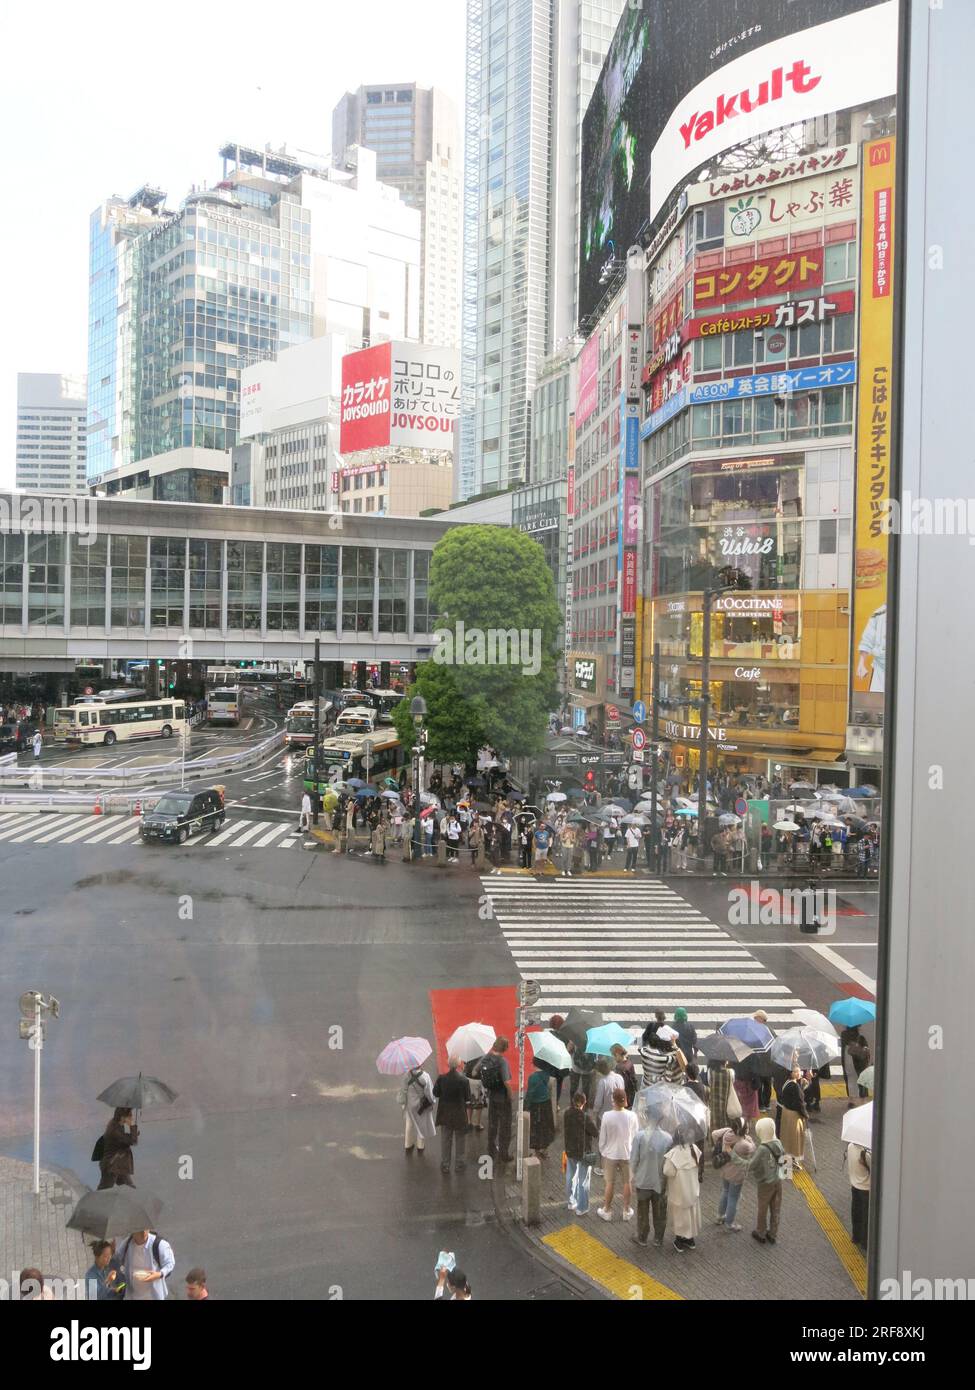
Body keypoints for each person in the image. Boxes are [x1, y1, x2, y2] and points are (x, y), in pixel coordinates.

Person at [734, 1116, 786, 1246]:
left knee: (763, 1208)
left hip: (765, 1184)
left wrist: (734, 1157)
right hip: (778, 1182)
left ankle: (761, 1232)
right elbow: (786, 1165)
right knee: (776, 1208)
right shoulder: (778, 1143)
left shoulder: (762, 1149)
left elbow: (751, 1165)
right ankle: (773, 1234)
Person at [596, 1089, 639, 1223]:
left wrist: (603, 1151)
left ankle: (607, 1210)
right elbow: (636, 1136)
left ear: (613, 1100)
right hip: (627, 1153)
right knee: (627, 1182)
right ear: (625, 1100)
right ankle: (626, 1210)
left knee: (610, 1183)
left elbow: (602, 1137)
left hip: (610, 1154)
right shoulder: (632, 1116)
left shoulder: (607, 1116)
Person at [630, 1123, 672, 1248]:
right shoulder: (668, 1138)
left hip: (643, 1180)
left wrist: (631, 1178)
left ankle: (642, 1237)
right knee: (660, 1212)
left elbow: (633, 1160)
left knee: (642, 1210)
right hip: (660, 1181)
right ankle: (658, 1239)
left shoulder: (640, 1136)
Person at [711, 1118, 755, 1232]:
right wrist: (749, 1138)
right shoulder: (744, 1144)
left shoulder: (726, 1133)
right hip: (737, 1175)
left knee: (725, 1192)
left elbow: (714, 1134)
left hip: (725, 1170)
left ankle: (720, 1216)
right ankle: (730, 1223)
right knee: (733, 1197)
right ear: (744, 1129)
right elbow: (753, 1147)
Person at [663, 1132, 703, 1252]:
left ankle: (680, 1240)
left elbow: (667, 1171)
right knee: (691, 1213)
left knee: (680, 1216)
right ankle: (690, 1239)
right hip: (692, 1190)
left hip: (679, 1192)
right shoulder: (694, 1149)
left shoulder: (674, 1153)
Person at [433, 1056, 472, 1174]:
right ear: (459, 1064)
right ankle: (459, 1164)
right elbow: (467, 1098)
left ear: (448, 1064)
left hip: (445, 1114)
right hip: (459, 1114)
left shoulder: (442, 1078)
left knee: (446, 1140)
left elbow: (436, 1093)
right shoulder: (464, 1080)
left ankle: (445, 1165)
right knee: (460, 1140)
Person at [479, 1037, 513, 1164]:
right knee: (505, 1126)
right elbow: (506, 1082)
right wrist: (510, 1095)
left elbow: (476, 1070)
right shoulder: (502, 1062)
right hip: (502, 1097)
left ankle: (491, 1149)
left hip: (492, 1096)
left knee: (492, 1124)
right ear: (504, 1048)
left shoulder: (486, 1057)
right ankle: (504, 1153)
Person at [115, 1230, 175, 1300]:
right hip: (132, 1295)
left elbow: (170, 1263)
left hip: (153, 1296)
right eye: (140, 1229)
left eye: (145, 1229)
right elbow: (118, 1258)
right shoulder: (127, 1243)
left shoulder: (159, 1244)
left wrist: (159, 1274)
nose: (144, 1232)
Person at [398, 1063, 437, 1156]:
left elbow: (403, 1090)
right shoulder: (425, 1076)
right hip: (421, 1106)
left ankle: (408, 1144)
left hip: (410, 1105)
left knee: (409, 1124)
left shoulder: (406, 1075)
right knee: (421, 1125)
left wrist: (402, 1102)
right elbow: (429, 1093)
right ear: (421, 1064)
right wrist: (432, 1101)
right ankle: (420, 1146)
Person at [97, 1107, 139, 1190]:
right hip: (111, 1165)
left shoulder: (117, 1125)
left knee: (130, 1189)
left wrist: (132, 1135)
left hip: (118, 1164)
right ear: (122, 1116)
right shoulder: (114, 1129)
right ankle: (93, 1202)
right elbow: (132, 1141)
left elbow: (123, 1141)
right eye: (130, 1115)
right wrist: (132, 1126)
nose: (132, 1117)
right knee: (103, 1191)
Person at [778, 1066, 808, 1168]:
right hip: (794, 1115)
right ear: (790, 1073)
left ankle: (786, 1162)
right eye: (795, 1072)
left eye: (799, 1071)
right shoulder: (794, 1086)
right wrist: (805, 1115)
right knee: (795, 1139)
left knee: (786, 1138)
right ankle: (792, 1162)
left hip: (786, 1113)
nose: (798, 1073)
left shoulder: (787, 1083)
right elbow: (800, 1103)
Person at [524, 1065, 556, 1158]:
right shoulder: (546, 1074)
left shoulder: (533, 1077)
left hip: (536, 1106)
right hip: (546, 1104)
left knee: (536, 1129)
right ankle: (545, 1149)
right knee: (546, 1127)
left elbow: (530, 1093)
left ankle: (536, 1151)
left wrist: (525, 1107)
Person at [847, 1142, 871, 1250]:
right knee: (866, 1216)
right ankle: (865, 1242)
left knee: (855, 1211)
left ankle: (855, 1237)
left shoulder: (850, 1147)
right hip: (866, 1188)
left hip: (854, 1185)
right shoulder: (865, 1154)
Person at [591, 1058, 621, 1130]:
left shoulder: (603, 1082)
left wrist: (594, 1112)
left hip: (604, 1115)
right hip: (617, 1113)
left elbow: (598, 1102)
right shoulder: (620, 1078)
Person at [707, 1059, 734, 1135]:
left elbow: (709, 1083)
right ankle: (725, 1139)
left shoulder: (710, 1072)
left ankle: (715, 1141)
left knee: (714, 1123)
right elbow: (731, 1084)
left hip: (714, 1103)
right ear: (725, 1061)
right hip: (726, 1101)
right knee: (726, 1122)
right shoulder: (731, 1072)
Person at [611, 1043, 638, 1109]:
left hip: (624, 1098)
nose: (614, 1058)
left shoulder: (619, 1068)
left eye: (614, 1056)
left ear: (617, 1054)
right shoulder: (629, 1062)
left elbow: (620, 1086)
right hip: (631, 1095)